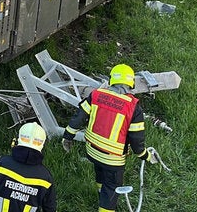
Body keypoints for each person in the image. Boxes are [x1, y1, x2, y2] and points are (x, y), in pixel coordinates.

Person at [62, 64, 154, 212]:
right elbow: (137, 140)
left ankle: (101, 193)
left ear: (112, 80)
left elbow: (79, 117)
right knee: (112, 187)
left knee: (100, 172)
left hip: (92, 151)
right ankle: (105, 205)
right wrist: (145, 155)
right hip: (112, 159)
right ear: (131, 83)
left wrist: (68, 136)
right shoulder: (133, 108)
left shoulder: (96, 95)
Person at [0, 122, 57, 212]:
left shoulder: (1, 165)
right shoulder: (45, 178)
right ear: (42, 145)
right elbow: (50, 208)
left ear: (17, 140)